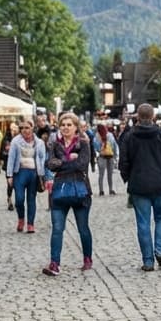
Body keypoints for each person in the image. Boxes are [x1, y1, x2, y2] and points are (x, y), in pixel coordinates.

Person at [118, 103, 161, 272]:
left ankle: (147, 260)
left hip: (139, 185)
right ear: (153, 116)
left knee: (143, 223)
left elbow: (123, 161)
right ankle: (160, 251)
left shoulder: (130, 137)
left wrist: (128, 178)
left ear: (138, 117)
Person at [41, 112, 94, 275]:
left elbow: (81, 164)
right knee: (57, 228)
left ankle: (87, 258)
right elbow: (50, 164)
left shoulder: (84, 144)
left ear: (76, 127)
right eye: (63, 125)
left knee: (83, 228)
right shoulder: (54, 145)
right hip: (60, 191)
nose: (65, 127)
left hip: (80, 190)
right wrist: (68, 160)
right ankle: (54, 263)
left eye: (69, 125)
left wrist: (61, 164)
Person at [6, 120, 46, 233]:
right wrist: (9, 175)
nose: (25, 130)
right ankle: (21, 219)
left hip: (33, 173)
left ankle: (30, 224)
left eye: (27, 127)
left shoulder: (39, 143)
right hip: (19, 173)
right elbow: (11, 159)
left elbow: (43, 158)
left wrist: (42, 174)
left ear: (32, 128)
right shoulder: (15, 141)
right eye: (22, 128)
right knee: (19, 199)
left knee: (31, 199)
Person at [91, 123, 118, 195]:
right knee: (110, 174)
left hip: (101, 156)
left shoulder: (96, 136)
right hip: (110, 156)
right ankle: (111, 189)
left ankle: (101, 190)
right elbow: (114, 145)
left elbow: (96, 147)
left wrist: (99, 151)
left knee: (101, 175)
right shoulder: (110, 135)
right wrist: (115, 156)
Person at [1, 121, 19, 208]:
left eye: (15, 127)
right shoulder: (6, 138)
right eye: (12, 128)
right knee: (10, 183)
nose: (13, 129)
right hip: (8, 164)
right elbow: (2, 152)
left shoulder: (20, 138)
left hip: (18, 164)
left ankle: (18, 200)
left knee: (18, 184)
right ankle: (9, 199)